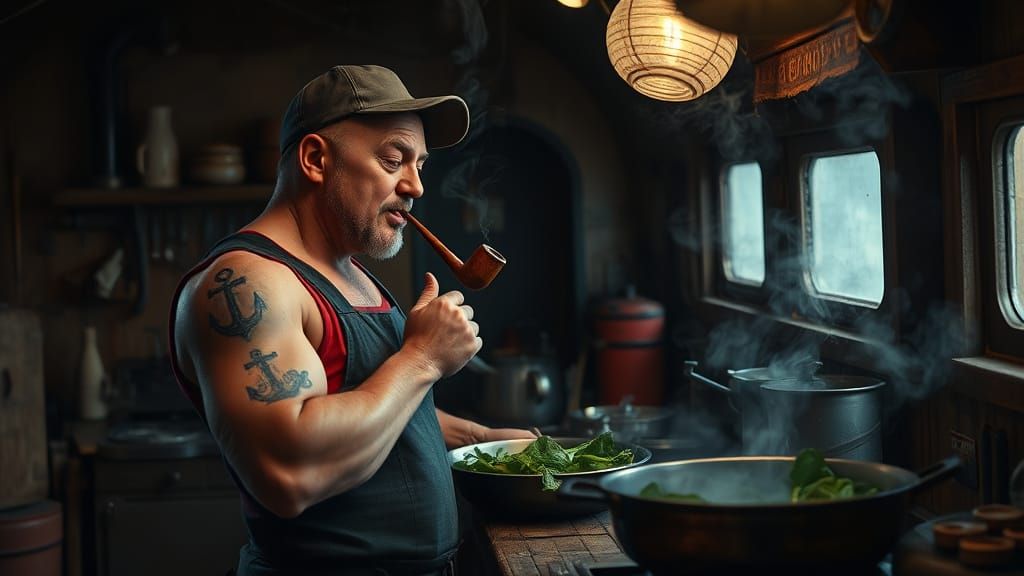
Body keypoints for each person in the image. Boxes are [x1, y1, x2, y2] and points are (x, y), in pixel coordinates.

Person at [169, 64, 535, 576]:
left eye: (420, 165)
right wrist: (423, 358)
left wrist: (479, 438)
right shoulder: (248, 283)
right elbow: (289, 474)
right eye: (393, 159)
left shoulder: (348, 271)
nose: (415, 186)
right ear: (316, 159)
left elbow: (369, 402)